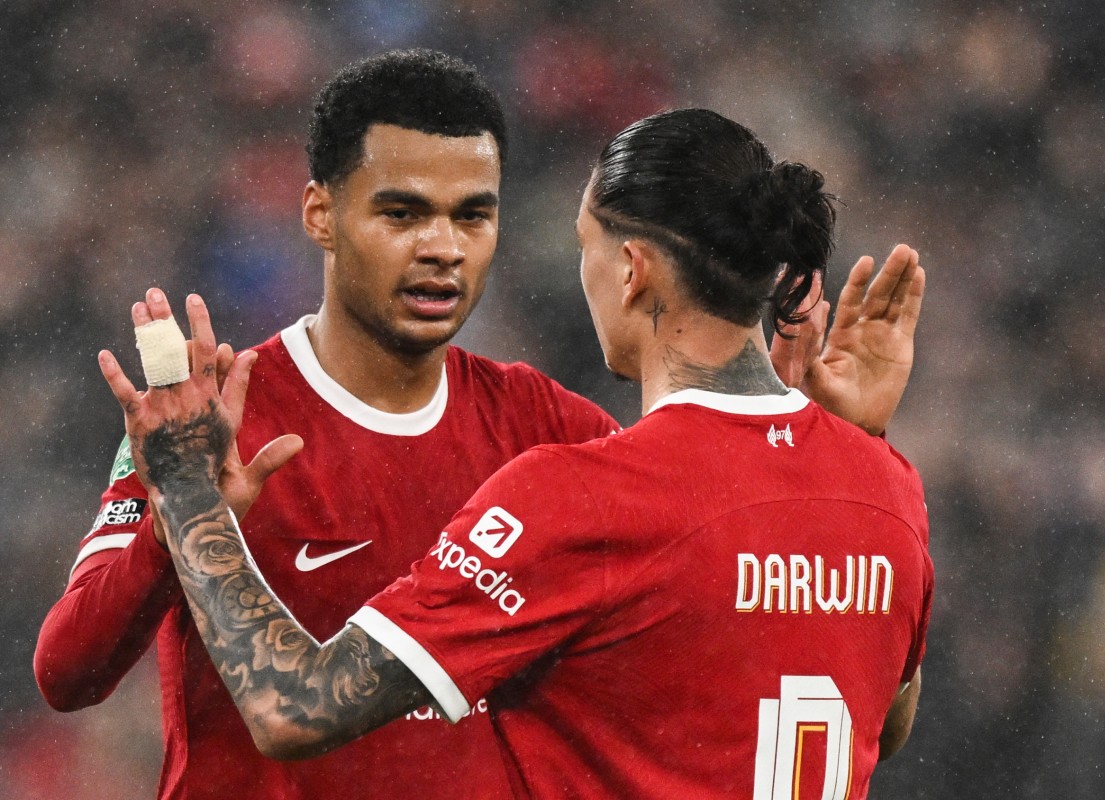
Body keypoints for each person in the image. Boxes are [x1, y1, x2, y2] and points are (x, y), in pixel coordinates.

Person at [36, 52, 921, 799]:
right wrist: (178, 509)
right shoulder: (215, 415)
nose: (443, 247)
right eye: (402, 212)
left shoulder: (558, 438)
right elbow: (67, 670)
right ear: (321, 215)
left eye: (473, 215)